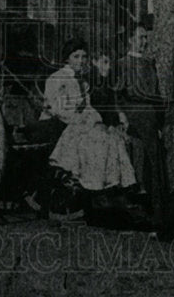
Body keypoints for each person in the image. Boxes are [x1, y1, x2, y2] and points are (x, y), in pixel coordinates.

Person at [43, 38, 137, 204]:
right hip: (58, 123)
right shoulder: (57, 78)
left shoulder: (83, 82)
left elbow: (87, 107)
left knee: (111, 137)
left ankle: (111, 186)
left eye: (83, 57)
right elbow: (56, 108)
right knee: (96, 139)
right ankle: (92, 186)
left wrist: (95, 119)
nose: (81, 61)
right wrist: (81, 119)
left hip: (82, 121)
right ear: (67, 58)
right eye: (76, 56)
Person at [113, 22, 168, 226]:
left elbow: (157, 93)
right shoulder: (122, 64)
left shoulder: (149, 63)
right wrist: (122, 117)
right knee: (142, 158)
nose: (144, 42)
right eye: (140, 37)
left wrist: (160, 122)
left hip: (151, 115)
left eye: (146, 38)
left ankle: (158, 211)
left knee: (155, 160)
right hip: (134, 113)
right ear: (129, 39)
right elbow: (117, 95)